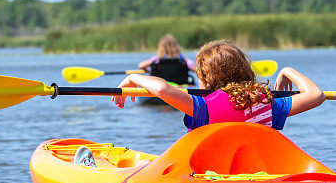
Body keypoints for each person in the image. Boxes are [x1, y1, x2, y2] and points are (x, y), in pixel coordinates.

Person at [112, 40, 324, 130]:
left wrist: (134, 78)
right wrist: (287, 71)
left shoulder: (203, 106)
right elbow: (316, 94)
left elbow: (161, 89)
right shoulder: (268, 106)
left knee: (142, 165)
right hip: (254, 177)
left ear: (205, 77)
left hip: (211, 179)